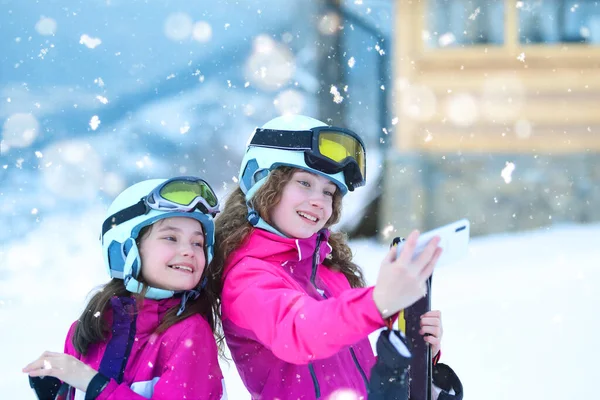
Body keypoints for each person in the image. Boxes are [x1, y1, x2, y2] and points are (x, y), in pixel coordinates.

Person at [212, 114, 446, 399]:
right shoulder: (247, 278)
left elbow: (357, 376)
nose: (319, 200)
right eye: (304, 183)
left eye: (329, 191)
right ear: (262, 181)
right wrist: (378, 302)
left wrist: (418, 358)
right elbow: (301, 331)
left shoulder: (328, 271)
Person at [23, 177, 226, 400]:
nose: (189, 251)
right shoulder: (88, 328)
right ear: (125, 248)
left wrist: (94, 385)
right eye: (171, 238)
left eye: (197, 243)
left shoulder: (189, 333)